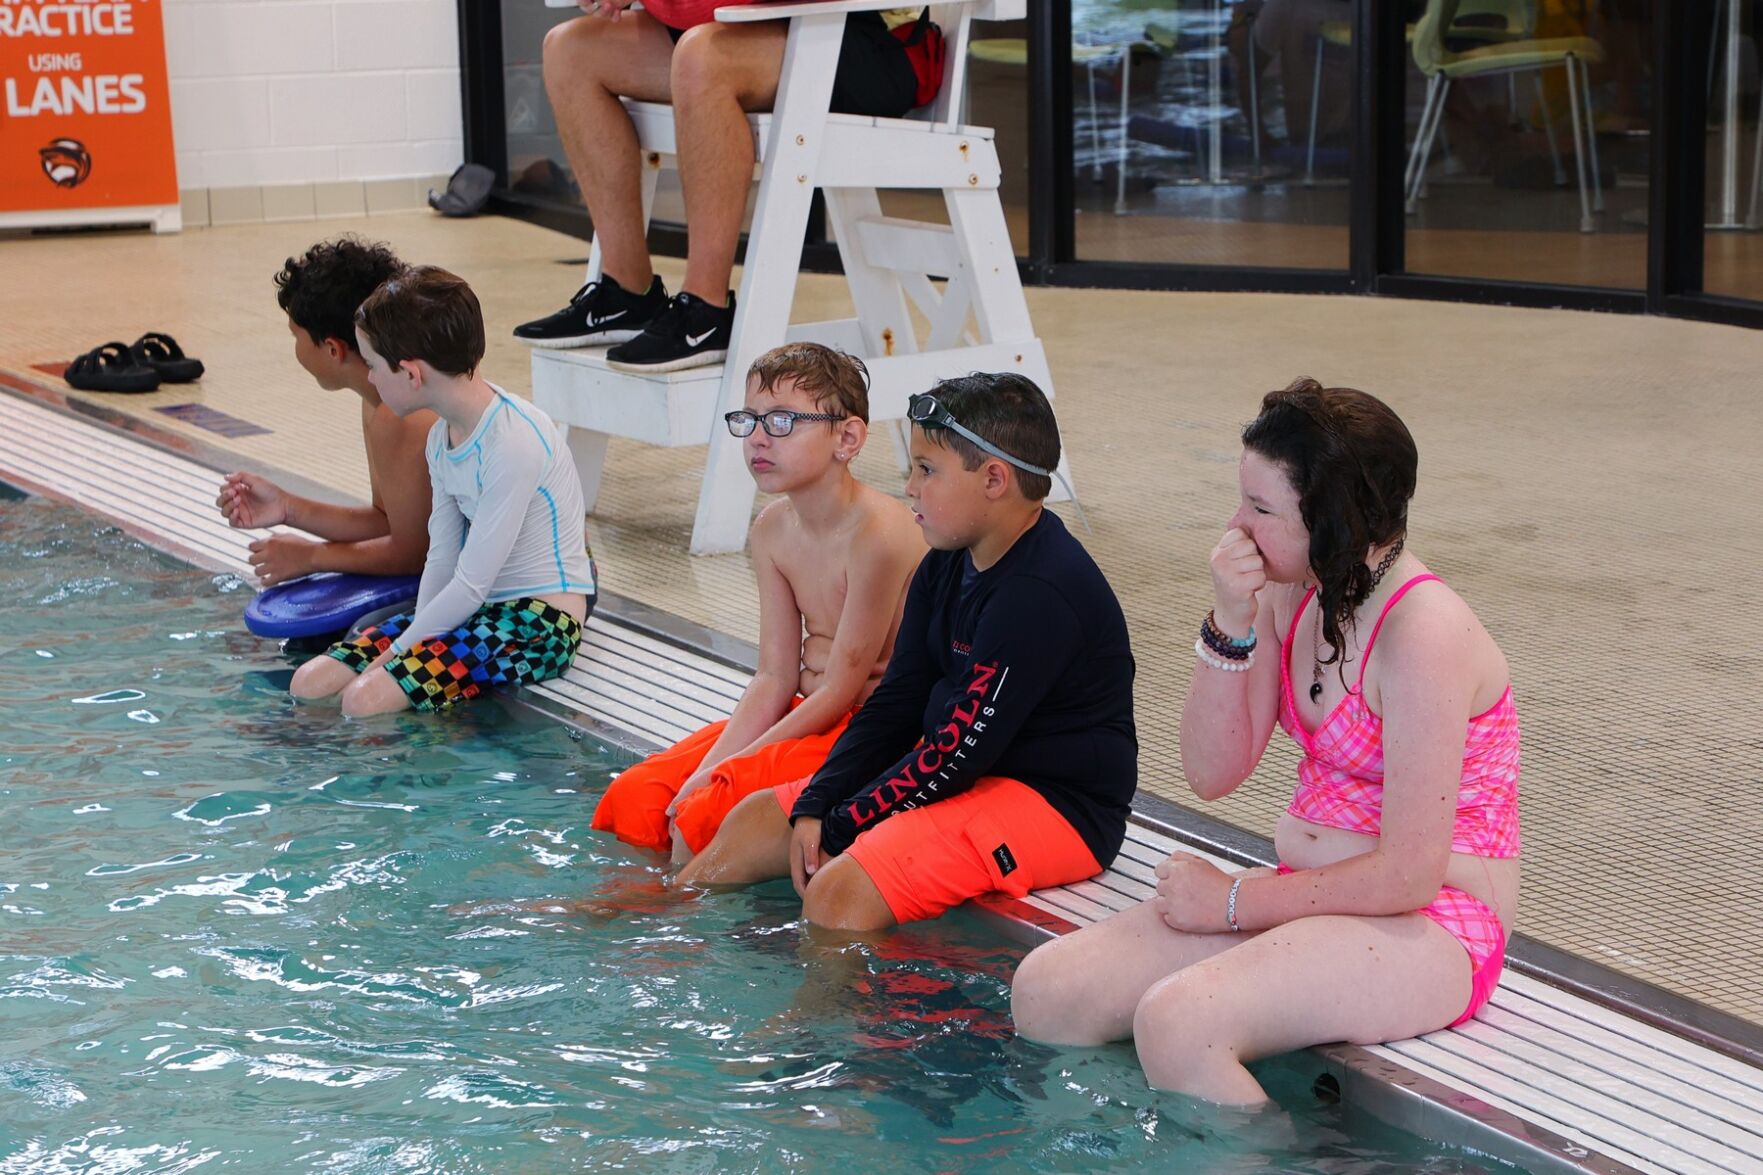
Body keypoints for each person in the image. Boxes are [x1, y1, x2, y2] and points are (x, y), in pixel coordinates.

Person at [1010, 377, 1521, 1106]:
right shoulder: (1292, 591)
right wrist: (1230, 617)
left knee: (1181, 1022)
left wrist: (1230, 902)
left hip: (1432, 923)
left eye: (1259, 508)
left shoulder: (1424, 634)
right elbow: (1209, 772)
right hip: (1305, 895)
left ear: (1334, 520)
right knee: (1048, 989)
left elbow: (1410, 873)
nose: (1234, 526)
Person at [675, 372, 1137, 933]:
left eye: (926, 470)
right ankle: (659, 931)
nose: (909, 487)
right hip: (970, 771)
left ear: (995, 479)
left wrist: (841, 826)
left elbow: (957, 753)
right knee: (754, 821)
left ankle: (809, 1025)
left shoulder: (1039, 594)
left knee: (838, 893)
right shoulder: (947, 558)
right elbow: (898, 699)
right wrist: (819, 800)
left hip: (1058, 806)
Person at [591, 342, 925, 861]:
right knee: (638, 795)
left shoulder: (879, 534)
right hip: (804, 711)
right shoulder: (771, 530)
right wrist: (711, 768)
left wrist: (721, 775)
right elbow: (774, 676)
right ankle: (641, 915)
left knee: (706, 810)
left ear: (848, 437)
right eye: (749, 420)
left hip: (870, 727)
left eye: (784, 421)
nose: (759, 439)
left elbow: (841, 688)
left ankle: (666, 926)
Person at [511, 0, 931, 372]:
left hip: (872, 40)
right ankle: (626, 292)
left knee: (702, 56)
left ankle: (706, 308)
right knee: (570, 50)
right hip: (745, 25)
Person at [289, 267, 598, 717]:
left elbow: (472, 585)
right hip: (479, 610)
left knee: (365, 699)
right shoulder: (443, 438)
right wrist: (409, 637)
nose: (370, 379)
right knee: (312, 681)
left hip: (539, 624)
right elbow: (442, 558)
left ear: (412, 374)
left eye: (374, 366)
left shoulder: (514, 443)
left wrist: (392, 657)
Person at [216, 237, 434, 586]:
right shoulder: (379, 398)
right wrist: (287, 508)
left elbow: (415, 555)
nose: (296, 348)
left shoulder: (402, 414)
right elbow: (389, 521)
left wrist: (312, 557)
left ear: (333, 348)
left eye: (295, 335)